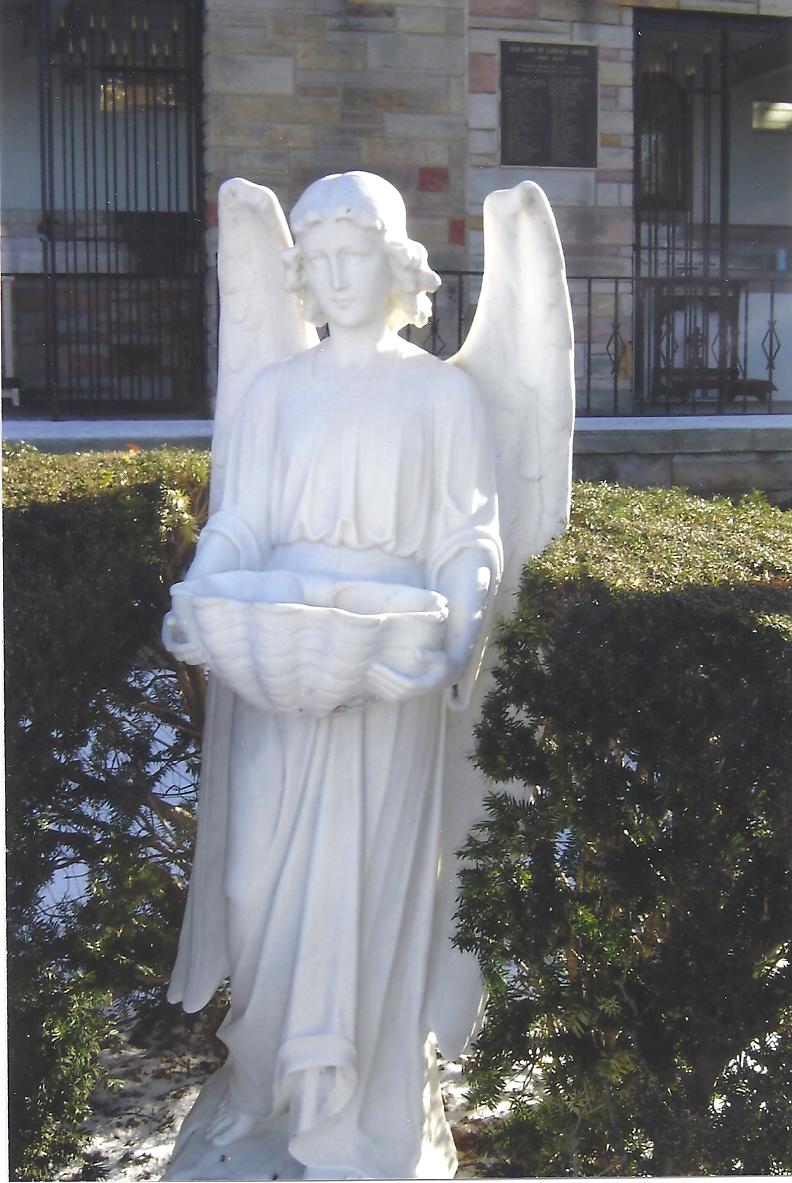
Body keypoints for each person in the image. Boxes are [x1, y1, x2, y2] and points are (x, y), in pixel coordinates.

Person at [163, 172, 502, 1181]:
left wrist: (456, 630)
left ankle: (354, 1113)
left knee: (366, 894)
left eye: (357, 254)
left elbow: (469, 537)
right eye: (319, 259)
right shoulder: (275, 392)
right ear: (302, 275)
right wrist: (203, 592)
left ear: (397, 268)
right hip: (277, 668)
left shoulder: (443, 395)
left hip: (389, 670)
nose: (338, 275)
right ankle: (263, 1085)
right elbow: (241, 524)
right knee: (253, 885)